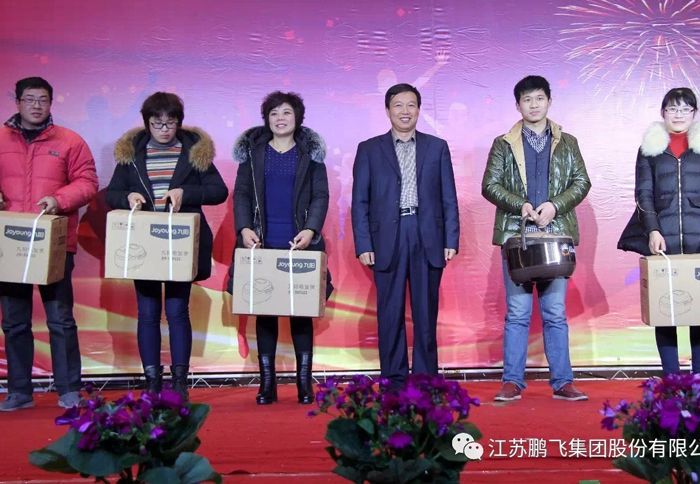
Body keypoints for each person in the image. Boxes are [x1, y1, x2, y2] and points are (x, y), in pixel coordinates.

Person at [0, 76, 98, 411]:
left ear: (51, 103)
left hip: (53, 242)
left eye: (42, 100)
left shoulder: (70, 141)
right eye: (29, 99)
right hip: (10, 242)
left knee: (60, 319)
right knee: (14, 321)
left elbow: (87, 181)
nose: (36, 105)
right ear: (18, 103)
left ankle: (69, 390)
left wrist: (58, 199)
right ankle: (19, 391)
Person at [105, 92, 228, 401]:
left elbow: (219, 191)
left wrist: (186, 192)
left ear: (178, 123)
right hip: (145, 243)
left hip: (180, 245)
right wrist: (127, 197)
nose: (163, 129)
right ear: (147, 123)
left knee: (177, 311)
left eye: (170, 123)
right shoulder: (132, 153)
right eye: (157, 123)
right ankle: (151, 381)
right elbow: (111, 194)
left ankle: (179, 382)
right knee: (147, 313)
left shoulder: (194, 152)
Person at [482, 75, 591, 402]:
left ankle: (563, 382)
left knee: (555, 312)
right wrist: (522, 206)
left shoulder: (567, 142)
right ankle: (512, 382)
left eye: (539, 98)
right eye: (527, 99)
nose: (533, 104)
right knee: (517, 313)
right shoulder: (503, 144)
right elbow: (490, 185)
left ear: (549, 101)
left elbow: (581, 182)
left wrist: (555, 206)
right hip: (518, 239)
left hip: (555, 237)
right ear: (518, 105)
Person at [618, 87, 700, 379]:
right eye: (673, 109)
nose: (679, 114)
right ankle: (671, 380)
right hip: (663, 239)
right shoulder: (649, 149)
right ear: (663, 112)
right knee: (665, 310)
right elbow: (643, 193)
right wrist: (652, 230)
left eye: (685, 109)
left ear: (694, 113)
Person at [351, 83, 460, 387]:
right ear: (387, 110)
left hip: (427, 236)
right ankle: (394, 380)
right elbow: (360, 201)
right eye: (398, 105)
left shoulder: (437, 147)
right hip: (387, 237)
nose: (405, 111)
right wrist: (363, 243)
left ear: (419, 110)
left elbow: (449, 197)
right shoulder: (369, 149)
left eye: (411, 105)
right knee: (390, 314)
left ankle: (425, 381)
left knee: (425, 314)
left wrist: (451, 239)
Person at [229, 91, 333, 405]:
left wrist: (310, 229)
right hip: (262, 241)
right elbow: (241, 194)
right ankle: (267, 384)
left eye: (286, 112)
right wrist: (244, 228)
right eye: (274, 113)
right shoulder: (254, 153)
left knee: (301, 313)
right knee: (265, 312)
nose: (280, 118)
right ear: (267, 119)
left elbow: (320, 196)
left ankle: (304, 383)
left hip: (299, 242)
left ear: (297, 117)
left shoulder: (309, 154)